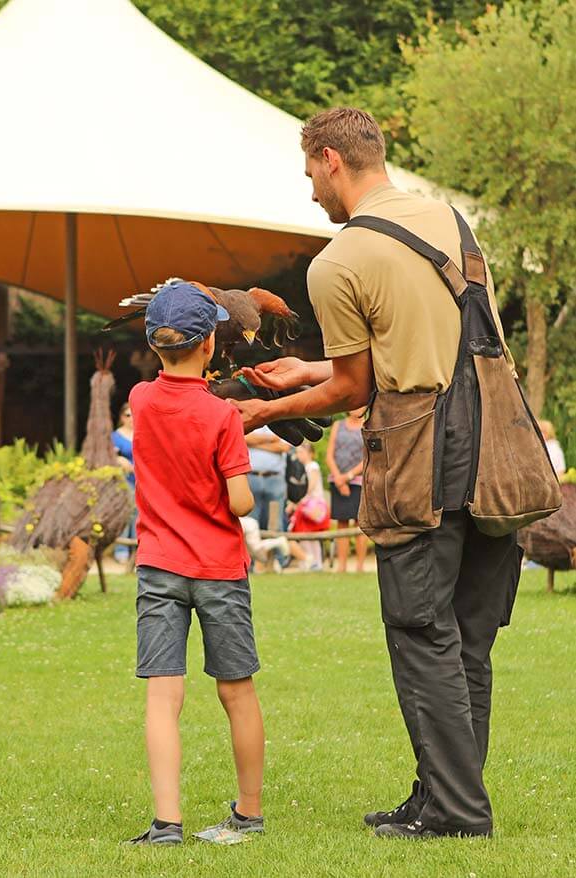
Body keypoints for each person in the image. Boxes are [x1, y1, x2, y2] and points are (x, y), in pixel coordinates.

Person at [233, 108, 523, 841]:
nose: (310, 195)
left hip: (424, 456)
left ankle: (456, 812)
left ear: (331, 160)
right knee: (465, 639)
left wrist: (256, 416)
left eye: (309, 176)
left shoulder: (339, 260)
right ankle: (438, 796)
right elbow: (422, 341)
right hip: (497, 447)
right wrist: (310, 368)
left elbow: (351, 390)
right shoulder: (450, 222)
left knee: (420, 630)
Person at [125, 279, 264, 847]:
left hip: (159, 566)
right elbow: (240, 501)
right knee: (237, 691)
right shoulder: (222, 417)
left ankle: (166, 825)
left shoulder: (138, 399)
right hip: (219, 570)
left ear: (156, 345)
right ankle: (248, 813)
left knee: (164, 695)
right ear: (211, 345)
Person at [326, 410, 368, 573]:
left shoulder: (368, 425)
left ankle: (360, 566)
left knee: (360, 523)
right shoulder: (338, 425)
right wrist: (339, 478)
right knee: (342, 523)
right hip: (337, 481)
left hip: (359, 481)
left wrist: (348, 476)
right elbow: (330, 455)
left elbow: (368, 457)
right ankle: (341, 566)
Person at [288, 442, 330, 571]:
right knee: (305, 533)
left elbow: (310, 487)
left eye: (302, 452)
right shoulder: (302, 468)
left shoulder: (312, 467)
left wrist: (297, 501)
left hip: (312, 505)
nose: (299, 455)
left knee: (311, 533)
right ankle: (311, 561)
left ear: (310, 453)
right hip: (306, 505)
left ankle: (314, 561)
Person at [245, 426, 290, 531]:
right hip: (251, 478)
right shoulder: (250, 417)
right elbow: (243, 439)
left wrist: (255, 444)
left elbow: (284, 447)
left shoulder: (282, 421)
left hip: (274, 480)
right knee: (250, 524)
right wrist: (271, 439)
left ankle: (273, 547)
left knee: (275, 526)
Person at [111, 402, 136, 563]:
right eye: (128, 415)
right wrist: (119, 459)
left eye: (134, 414)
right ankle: (121, 550)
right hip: (124, 481)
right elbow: (107, 457)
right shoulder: (116, 436)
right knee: (126, 513)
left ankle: (136, 551)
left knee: (139, 515)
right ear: (122, 417)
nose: (131, 418)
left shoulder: (143, 433)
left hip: (142, 480)